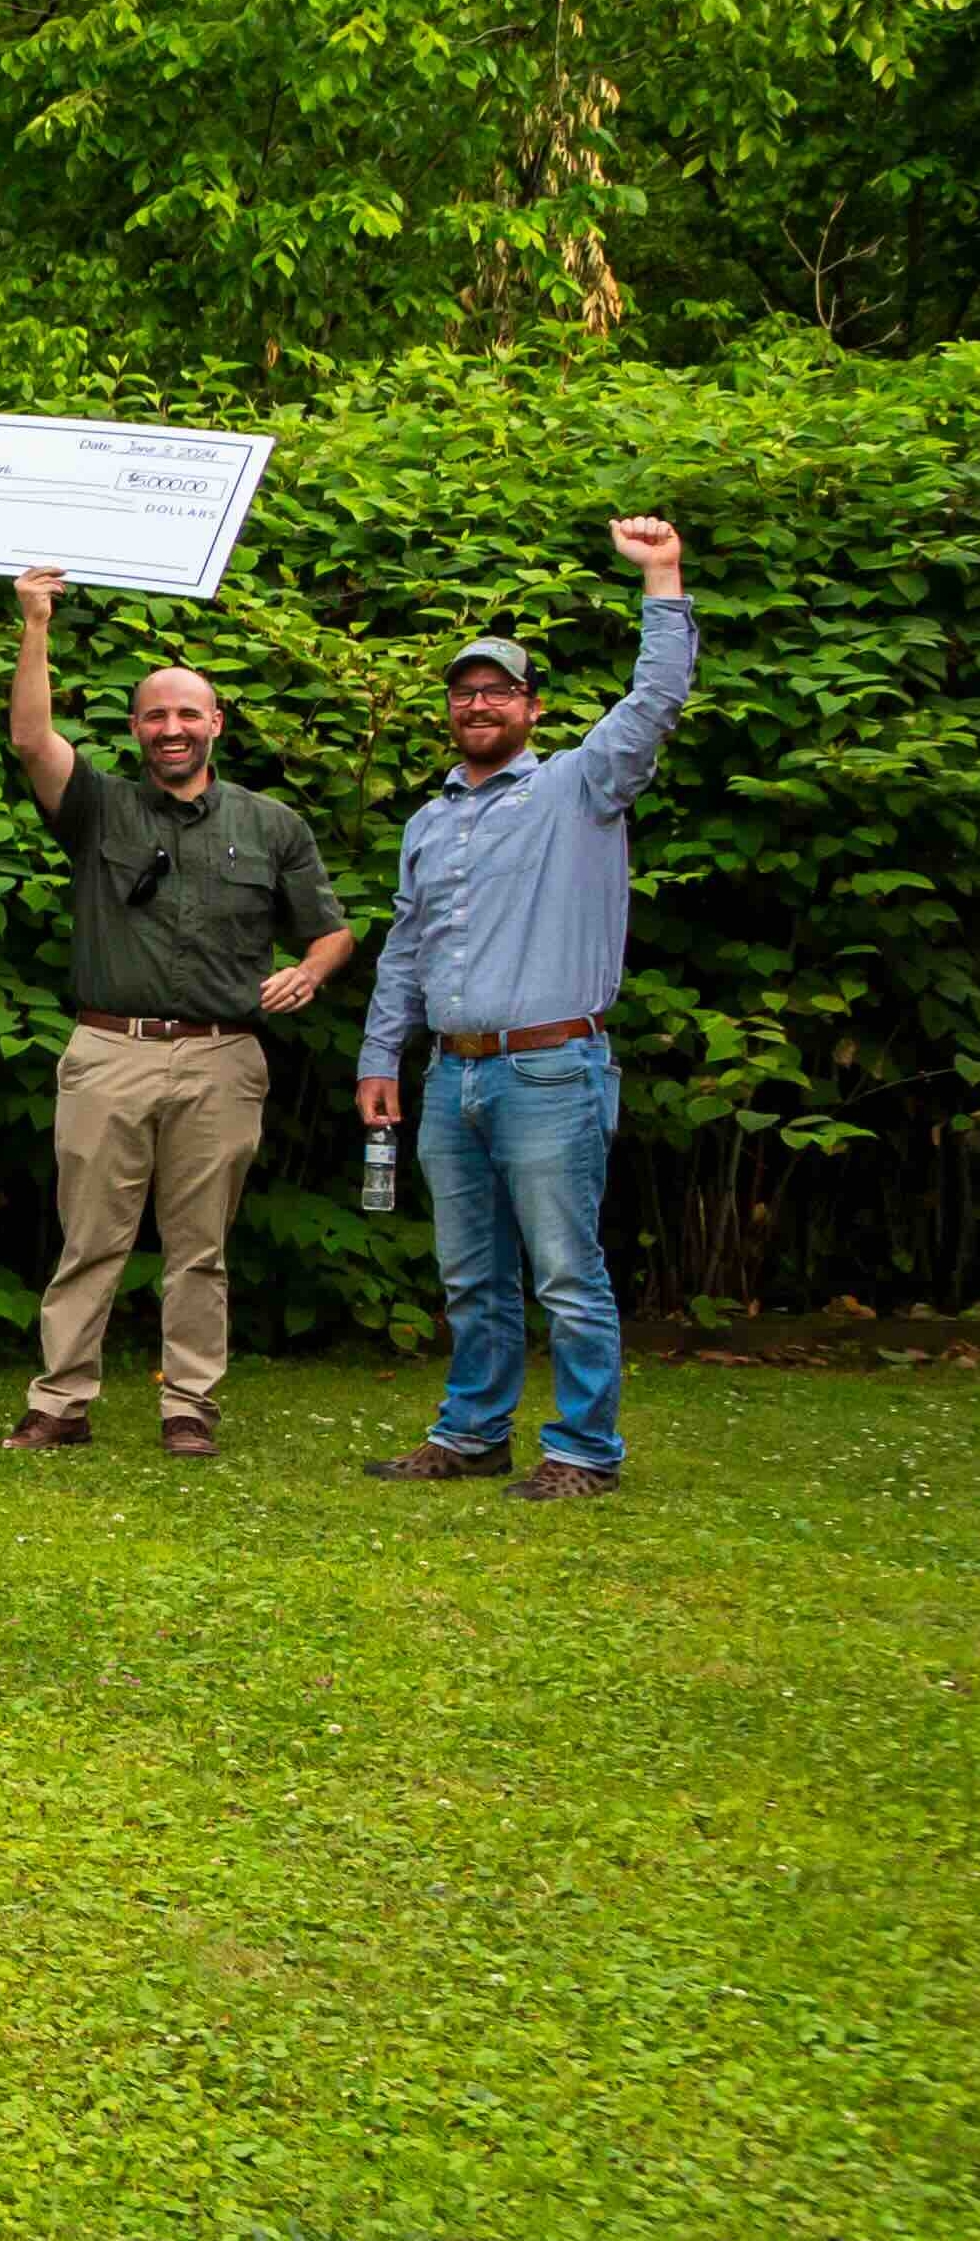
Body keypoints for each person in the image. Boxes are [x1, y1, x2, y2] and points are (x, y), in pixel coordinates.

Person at [360, 518, 697, 1503]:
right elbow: (405, 948)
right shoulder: (427, 822)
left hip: (548, 1069)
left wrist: (661, 577)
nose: (475, 703)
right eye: (462, 691)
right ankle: (470, 1434)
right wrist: (379, 1056)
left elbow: (654, 699)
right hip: (449, 1072)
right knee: (469, 1276)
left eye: (495, 690)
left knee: (562, 1272)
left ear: (528, 707)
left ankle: (582, 1451)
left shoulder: (575, 788)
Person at [3, 567, 356, 1457]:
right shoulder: (98, 809)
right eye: (154, 716)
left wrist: (309, 973)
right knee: (89, 1239)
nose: (170, 729)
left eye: (186, 714)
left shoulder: (272, 825)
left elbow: (331, 932)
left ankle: (188, 1407)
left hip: (221, 1059)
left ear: (215, 726)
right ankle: (60, 1403)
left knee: (199, 1248)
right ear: (134, 730)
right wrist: (34, 624)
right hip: (108, 1050)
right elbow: (31, 736)